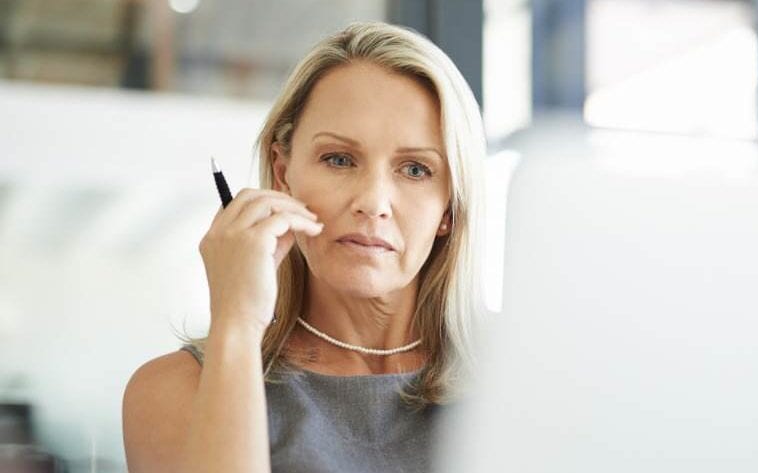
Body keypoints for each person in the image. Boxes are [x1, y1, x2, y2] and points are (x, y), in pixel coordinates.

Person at [121, 21, 486, 473]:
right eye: (339, 159)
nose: (372, 204)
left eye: (415, 170)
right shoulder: (177, 390)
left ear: (449, 206)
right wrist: (236, 322)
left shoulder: (525, 378)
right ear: (282, 174)